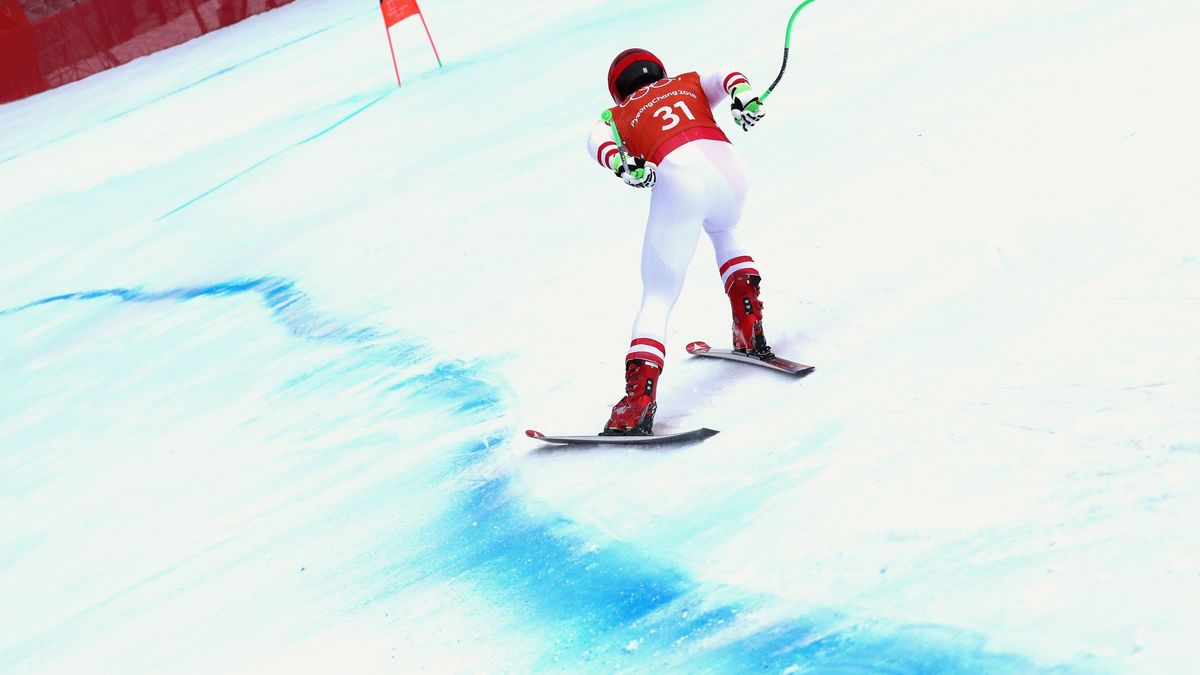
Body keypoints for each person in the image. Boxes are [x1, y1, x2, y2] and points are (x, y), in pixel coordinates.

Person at [587, 48, 771, 436]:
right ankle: (748, 323)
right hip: (731, 171)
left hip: (680, 180)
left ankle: (636, 402)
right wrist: (745, 97)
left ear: (618, 91)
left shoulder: (618, 115)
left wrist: (621, 164)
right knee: (725, 230)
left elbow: (595, 141)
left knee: (657, 294)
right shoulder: (687, 82)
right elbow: (726, 70)